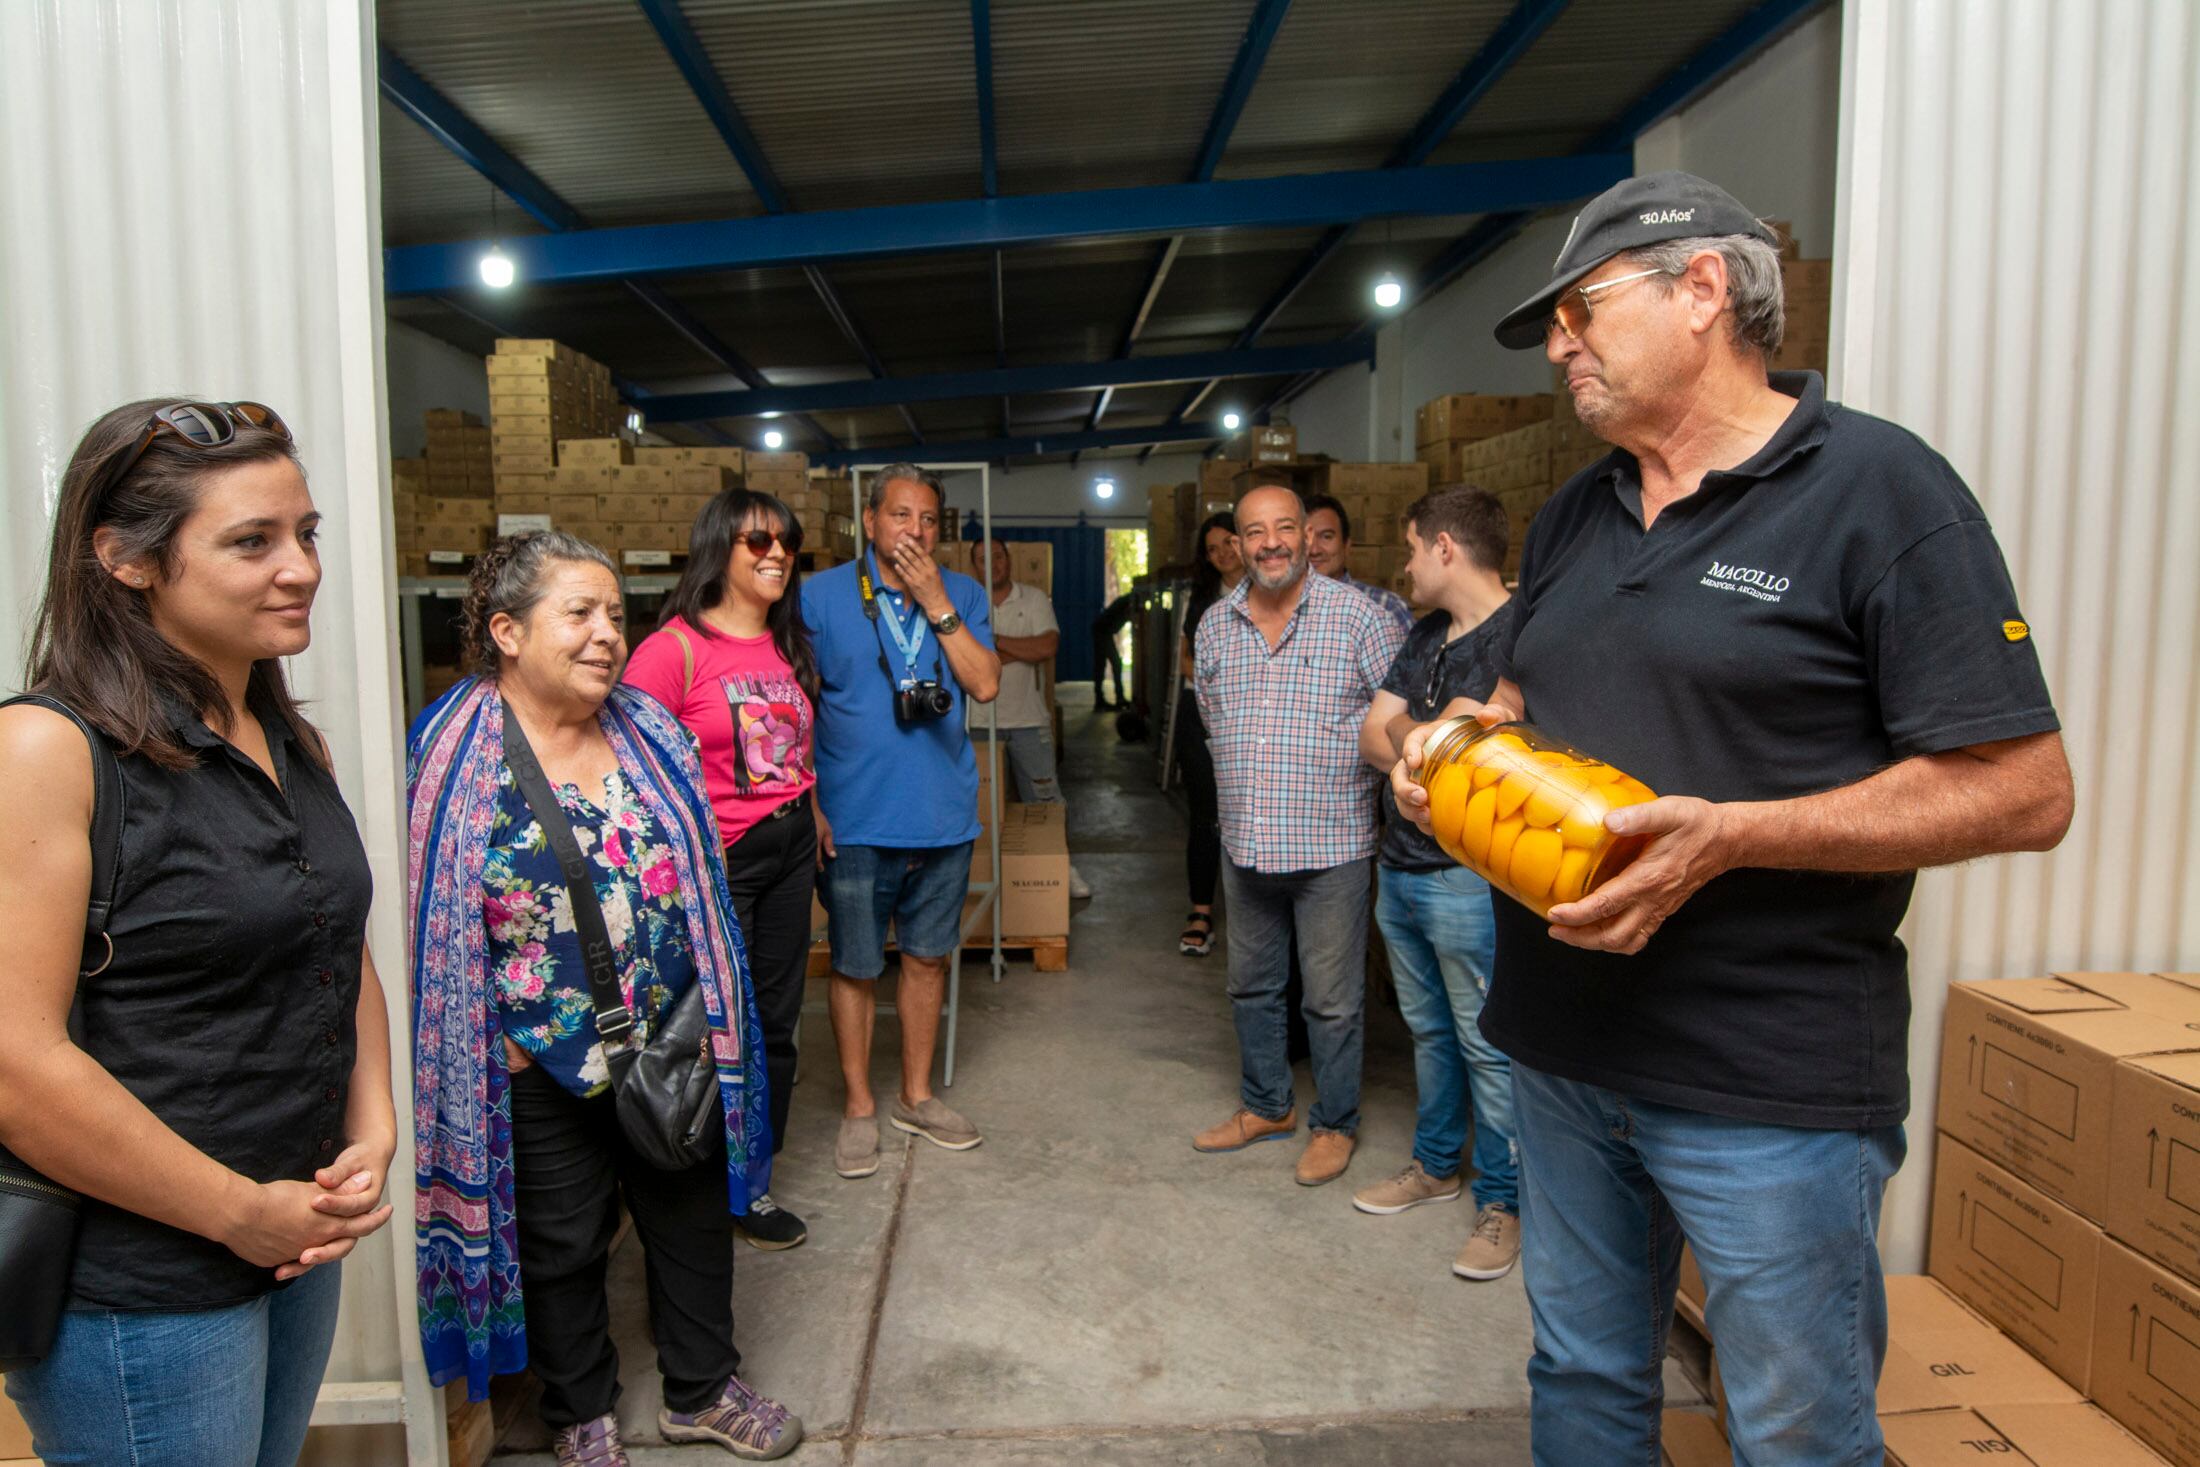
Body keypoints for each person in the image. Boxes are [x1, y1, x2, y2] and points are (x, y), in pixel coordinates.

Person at [1392, 172, 2073, 1466]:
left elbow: (2026, 785)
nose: (1558, 345)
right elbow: (1514, 697)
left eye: (1581, 310)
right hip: (1565, 1050)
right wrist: (1447, 749)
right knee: (1585, 1376)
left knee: (1794, 1430)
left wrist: (1736, 833)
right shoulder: (1577, 512)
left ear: (1701, 289)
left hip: (1767, 1080)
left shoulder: (1880, 491)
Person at [0, 399, 396, 1467]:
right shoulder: (47, 750)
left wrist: (372, 1122)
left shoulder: (276, 729)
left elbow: (331, 932)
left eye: (305, 533)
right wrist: (233, 1212)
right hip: (146, 1286)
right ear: (126, 561)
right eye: (251, 541)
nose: (301, 567)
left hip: (291, 1237)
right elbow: (17, 1066)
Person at [408, 533, 799, 1465]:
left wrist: (706, 1002)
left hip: (668, 1031)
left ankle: (701, 1388)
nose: (606, 635)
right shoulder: (454, 747)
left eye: (616, 615)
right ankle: (580, 1411)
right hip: (535, 1051)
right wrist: (489, 1031)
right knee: (562, 1242)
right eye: (579, 613)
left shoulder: (650, 729)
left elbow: (700, 875)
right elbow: (432, 909)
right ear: (506, 629)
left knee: (690, 1215)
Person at [1190, 486, 1404, 1187]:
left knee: (1331, 998)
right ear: (1240, 543)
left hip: (1332, 846)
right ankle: (1266, 1104)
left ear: (1309, 537)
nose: (1271, 542)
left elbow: (1399, 720)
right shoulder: (1216, 625)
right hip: (1246, 841)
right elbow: (1212, 720)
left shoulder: (1360, 619)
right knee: (1251, 985)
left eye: (1285, 527)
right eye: (1255, 532)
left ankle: (1335, 1122)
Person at [625, 490, 818, 1252]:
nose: (777, 556)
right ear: (720, 551)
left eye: (787, 545)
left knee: (778, 1021)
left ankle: (755, 1184)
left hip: (792, 846)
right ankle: (706, 1178)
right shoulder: (673, 650)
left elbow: (795, 750)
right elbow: (631, 770)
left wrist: (814, 808)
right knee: (715, 1029)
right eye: (758, 543)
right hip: (721, 864)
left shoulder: (787, 643)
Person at [801, 465, 999, 1183]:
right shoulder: (819, 597)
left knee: (926, 958)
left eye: (929, 520)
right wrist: (812, 802)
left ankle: (916, 1096)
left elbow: (982, 682)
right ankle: (859, 1104)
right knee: (855, 963)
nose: (915, 531)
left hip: (943, 817)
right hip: (853, 819)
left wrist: (936, 600)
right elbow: (790, 707)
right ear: (871, 521)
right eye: (901, 515)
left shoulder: (965, 593)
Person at [1352, 486, 1521, 1282]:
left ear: (1446, 547)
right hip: (1403, 868)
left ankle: (1505, 1203)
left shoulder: (1521, 638)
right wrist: (1425, 744)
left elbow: (1473, 764)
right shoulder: (1423, 633)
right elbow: (1372, 734)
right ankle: (1434, 1165)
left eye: (1414, 547)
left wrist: (1412, 741)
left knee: (1488, 1045)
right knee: (1428, 1031)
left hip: (1469, 881)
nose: (1406, 565)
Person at [966, 537, 1091, 899]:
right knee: (980, 808)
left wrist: (993, 644)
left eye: (999, 556)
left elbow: (1046, 647)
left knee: (1045, 801)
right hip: (978, 723)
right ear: (975, 566)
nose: (993, 564)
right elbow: (965, 658)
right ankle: (984, 875)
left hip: (1028, 722)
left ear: (1008, 560)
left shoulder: (1034, 598)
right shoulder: (968, 601)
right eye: (983, 559)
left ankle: (1061, 868)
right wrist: (1018, 650)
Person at [1174, 513, 1241, 956]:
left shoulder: (1270, 591)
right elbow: (1186, 660)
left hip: (1252, 721)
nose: (1220, 555)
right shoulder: (1201, 599)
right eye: (1211, 549)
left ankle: (1253, 918)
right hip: (1200, 714)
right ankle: (1201, 910)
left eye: (1227, 543)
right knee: (1206, 815)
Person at [1305, 492, 1413, 633]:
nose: (1314, 550)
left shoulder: (1386, 607)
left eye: (1326, 537)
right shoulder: (1279, 609)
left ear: (1347, 546)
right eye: (1305, 539)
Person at [1089, 588, 1135, 708]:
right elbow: (1129, 616)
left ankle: (1100, 700)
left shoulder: (1126, 601)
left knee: (1101, 666)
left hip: (1102, 631)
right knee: (1115, 664)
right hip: (1102, 632)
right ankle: (1117, 698)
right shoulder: (1129, 602)